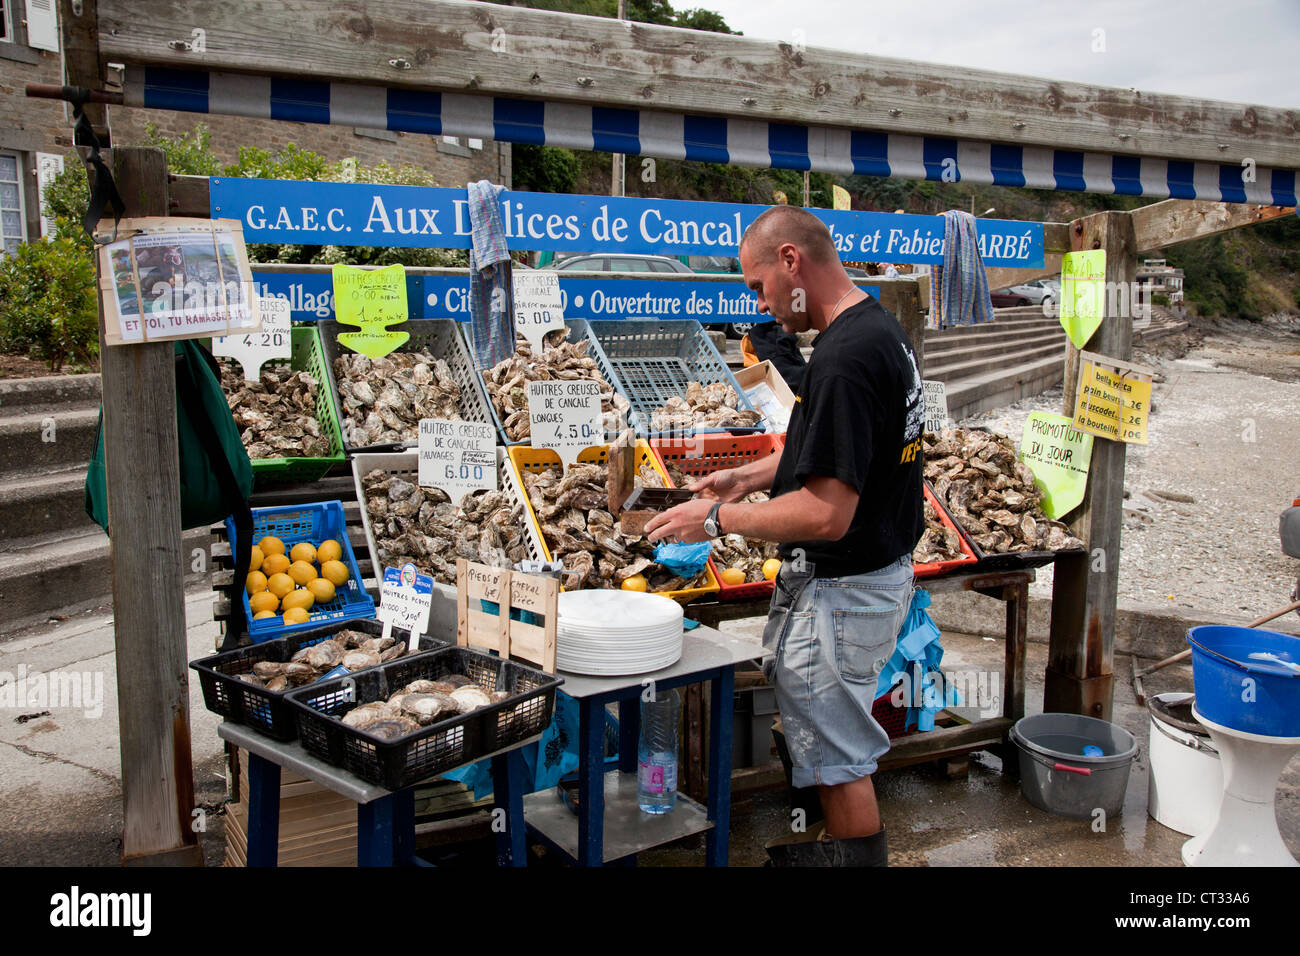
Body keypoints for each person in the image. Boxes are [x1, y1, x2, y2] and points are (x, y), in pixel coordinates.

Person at [646, 205, 924, 866]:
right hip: (873, 579)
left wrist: (713, 519)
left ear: (791, 261)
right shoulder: (875, 331)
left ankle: (856, 858)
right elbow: (845, 449)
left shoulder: (844, 358)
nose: (761, 304)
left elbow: (826, 514)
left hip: (845, 590)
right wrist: (747, 476)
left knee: (839, 757)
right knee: (835, 741)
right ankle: (837, 849)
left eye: (757, 285)